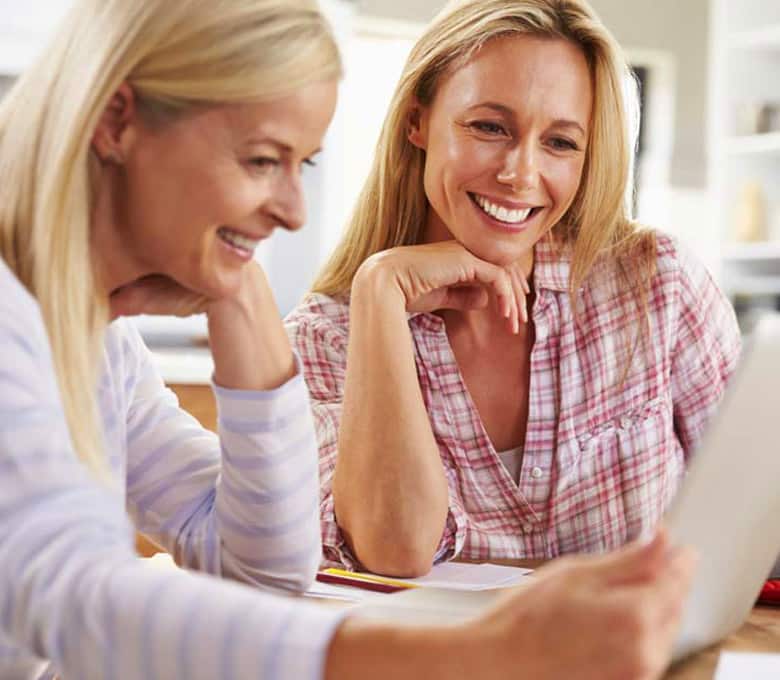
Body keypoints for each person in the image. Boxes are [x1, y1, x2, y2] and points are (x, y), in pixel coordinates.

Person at [0, 0, 696, 678]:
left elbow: (261, 568)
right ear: (119, 121)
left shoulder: (100, 345)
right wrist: (479, 655)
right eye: (262, 161)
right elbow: (69, 592)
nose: (294, 213)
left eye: (300, 165)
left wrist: (239, 295)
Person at [286, 0, 741, 577]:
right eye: (489, 127)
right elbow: (391, 550)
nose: (521, 175)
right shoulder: (324, 338)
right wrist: (380, 292)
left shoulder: (656, 285)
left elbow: (755, 516)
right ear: (417, 121)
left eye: (560, 143)